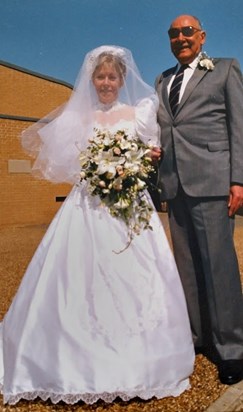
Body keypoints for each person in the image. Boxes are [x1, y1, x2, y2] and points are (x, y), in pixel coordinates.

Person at [0, 45, 195, 405]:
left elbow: (151, 148)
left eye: (112, 77)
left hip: (128, 206)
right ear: (92, 80)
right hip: (88, 203)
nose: (106, 83)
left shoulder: (137, 114)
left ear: (122, 81)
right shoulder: (79, 117)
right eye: (101, 77)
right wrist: (96, 172)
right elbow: (68, 160)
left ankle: (138, 360)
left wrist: (142, 159)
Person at [155, 15, 243, 385]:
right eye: (174, 33)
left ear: (202, 36)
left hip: (212, 182)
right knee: (187, 269)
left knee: (219, 268)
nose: (180, 37)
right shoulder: (162, 80)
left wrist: (238, 179)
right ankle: (198, 338)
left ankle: (233, 349)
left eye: (187, 31)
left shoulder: (224, 70)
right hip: (175, 185)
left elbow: (239, 126)